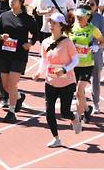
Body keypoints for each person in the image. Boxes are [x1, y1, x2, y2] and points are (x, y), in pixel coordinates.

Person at [33, 12, 80, 147]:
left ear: (61, 26)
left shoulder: (67, 42)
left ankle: (73, 117)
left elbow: (75, 60)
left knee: (64, 112)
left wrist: (64, 70)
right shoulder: (45, 42)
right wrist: (38, 73)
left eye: (54, 23)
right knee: (49, 111)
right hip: (51, 82)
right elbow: (44, 60)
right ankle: (56, 138)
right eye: (49, 22)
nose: (51, 25)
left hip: (67, 82)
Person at [70, 6, 104, 129]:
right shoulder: (71, 28)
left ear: (87, 17)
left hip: (87, 64)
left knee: (80, 90)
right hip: (74, 65)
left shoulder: (92, 29)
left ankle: (77, 118)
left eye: (81, 17)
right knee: (78, 93)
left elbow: (102, 40)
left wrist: (97, 47)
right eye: (77, 16)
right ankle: (86, 109)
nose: (78, 18)